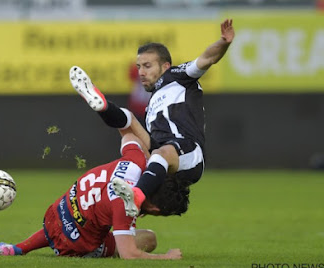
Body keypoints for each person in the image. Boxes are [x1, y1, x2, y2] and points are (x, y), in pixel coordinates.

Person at [69, 19, 235, 217]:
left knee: (162, 152)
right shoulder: (152, 104)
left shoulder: (177, 77)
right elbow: (154, 146)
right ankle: (103, 107)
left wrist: (223, 42)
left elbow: (207, 59)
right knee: (129, 127)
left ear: (165, 66)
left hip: (189, 152)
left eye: (147, 66)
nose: (141, 72)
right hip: (160, 153)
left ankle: (136, 195)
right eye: (139, 66)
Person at [0, 126, 189, 259]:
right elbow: (129, 254)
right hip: (76, 244)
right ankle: (86, 245)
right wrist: (167, 257)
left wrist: (150, 160)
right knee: (149, 238)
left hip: (56, 213)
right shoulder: (126, 206)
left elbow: (129, 137)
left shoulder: (135, 162)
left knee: (80, 217)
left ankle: (18, 248)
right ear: (155, 208)